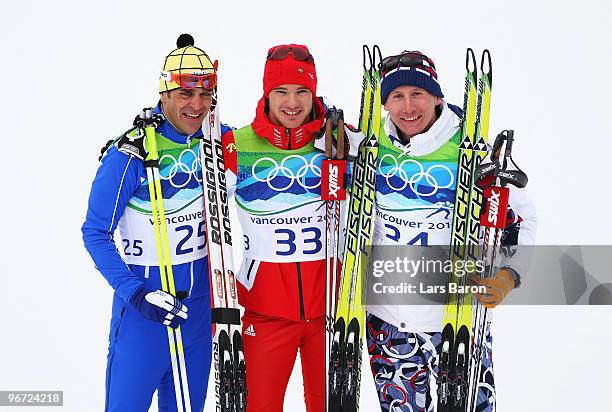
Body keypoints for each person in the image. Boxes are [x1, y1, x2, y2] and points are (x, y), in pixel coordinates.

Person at [365, 50, 537, 411]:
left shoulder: (473, 149)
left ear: (437, 97)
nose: (408, 106)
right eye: (397, 96)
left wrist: (511, 273)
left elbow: (523, 216)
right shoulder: (367, 145)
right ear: (385, 103)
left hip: (458, 321)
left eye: (418, 94)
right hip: (388, 321)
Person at [82, 34, 230, 411]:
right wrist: (135, 293)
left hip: (197, 317)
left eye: (205, 94)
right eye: (185, 94)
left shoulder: (219, 139)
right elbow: (95, 232)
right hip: (143, 317)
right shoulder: (131, 152)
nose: (197, 105)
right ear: (164, 93)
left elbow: (272, 146)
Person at [221, 44, 356, 412]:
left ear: (314, 93)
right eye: (281, 91)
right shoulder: (236, 146)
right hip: (264, 312)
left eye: (302, 92)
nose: (292, 103)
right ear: (267, 93)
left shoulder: (341, 141)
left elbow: (400, 151)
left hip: (330, 309)